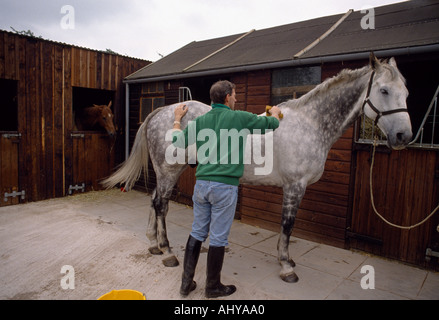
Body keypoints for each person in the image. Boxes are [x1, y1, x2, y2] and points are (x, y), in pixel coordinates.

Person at [172, 80, 281, 298]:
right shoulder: (240, 117)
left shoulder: (199, 122)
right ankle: (212, 287)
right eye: (235, 95)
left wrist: (177, 120)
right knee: (219, 238)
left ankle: (186, 285)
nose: (237, 98)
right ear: (227, 97)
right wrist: (276, 113)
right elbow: (271, 125)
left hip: (201, 186)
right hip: (225, 188)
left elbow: (176, 142)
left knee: (197, 232)